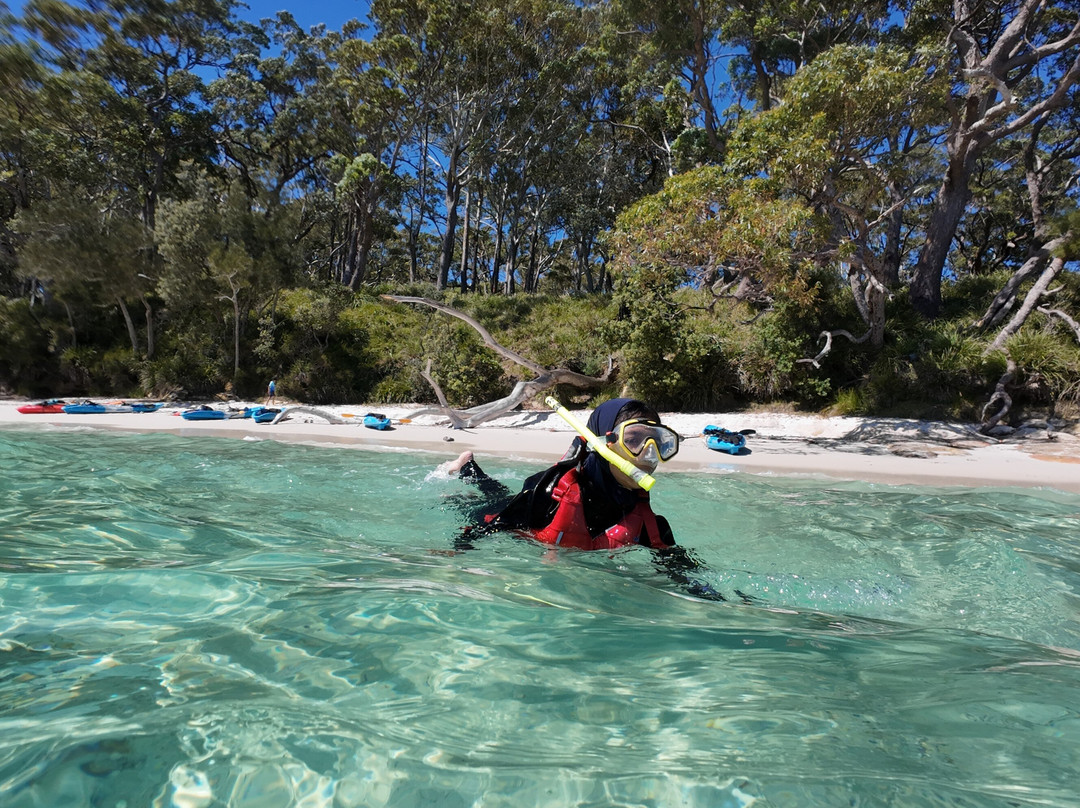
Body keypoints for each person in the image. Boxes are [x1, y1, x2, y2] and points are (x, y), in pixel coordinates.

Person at [444, 397, 731, 601]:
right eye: (634, 439)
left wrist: (725, 600)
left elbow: (686, 576)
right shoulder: (548, 492)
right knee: (478, 502)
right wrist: (455, 561)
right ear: (602, 442)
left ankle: (469, 465)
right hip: (514, 511)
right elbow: (488, 527)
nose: (648, 453)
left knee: (498, 492)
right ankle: (466, 468)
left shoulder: (650, 525)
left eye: (659, 442)